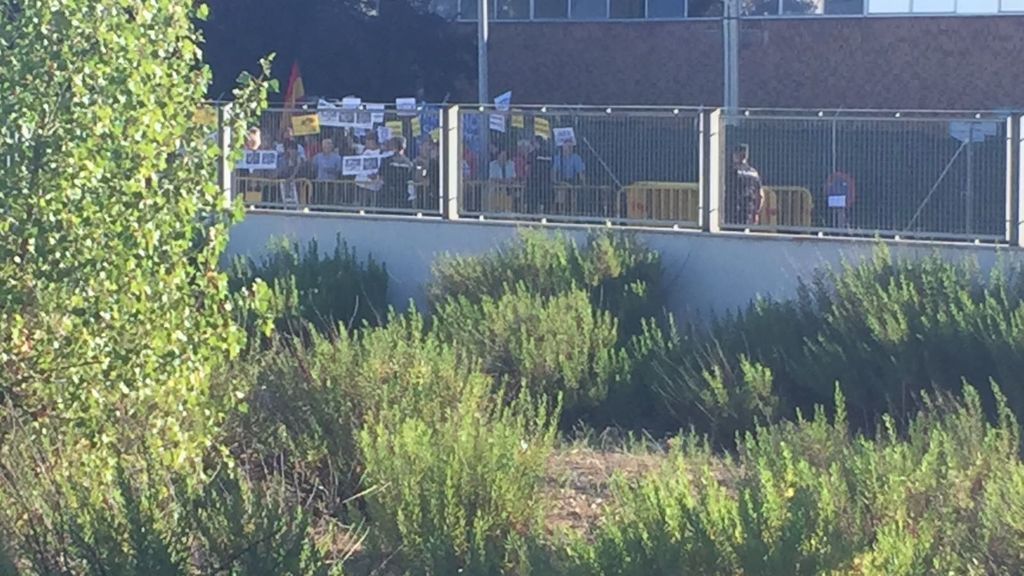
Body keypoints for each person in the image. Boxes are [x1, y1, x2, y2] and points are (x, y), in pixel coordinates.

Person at [725, 143, 763, 226]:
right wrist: (756, 213)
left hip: (732, 210)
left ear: (736, 155)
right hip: (748, 210)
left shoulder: (731, 171)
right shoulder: (754, 172)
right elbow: (760, 195)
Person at [380, 136, 414, 208]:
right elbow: (381, 176)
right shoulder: (386, 161)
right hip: (387, 196)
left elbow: (411, 179)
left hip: (402, 197)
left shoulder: (408, 163)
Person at [526, 135, 553, 214]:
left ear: (536, 143)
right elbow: (551, 168)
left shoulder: (532, 154)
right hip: (546, 182)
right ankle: (547, 219)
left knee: (532, 203)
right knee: (546, 203)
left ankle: (532, 219)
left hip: (534, 182)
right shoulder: (549, 154)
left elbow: (528, 168)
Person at [276, 139, 302, 206]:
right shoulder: (282, 159)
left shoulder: (301, 160)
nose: (291, 151)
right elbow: (281, 171)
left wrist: (292, 176)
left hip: (299, 186)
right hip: (283, 184)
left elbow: (302, 171)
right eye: (289, 149)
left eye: (293, 149)